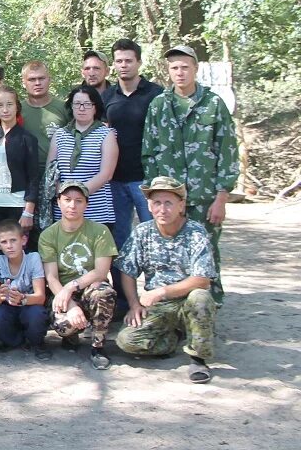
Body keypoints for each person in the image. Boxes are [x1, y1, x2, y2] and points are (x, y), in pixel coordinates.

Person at [142, 44, 237, 305]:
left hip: (203, 196)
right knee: (171, 250)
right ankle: (175, 304)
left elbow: (227, 152)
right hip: (168, 198)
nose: (180, 72)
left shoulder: (214, 104)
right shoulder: (159, 104)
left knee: (207, 248)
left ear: (195, 68)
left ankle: (210, 304)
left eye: (185, 67)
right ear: (168, 71)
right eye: (174, 68)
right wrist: (154, 197)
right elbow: (148, 153)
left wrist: (221, 197)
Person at [115, 177, 218, 384]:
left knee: (200, 298)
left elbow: (202, 280)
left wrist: (162, 291)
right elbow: (127, 270)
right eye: (157, 203)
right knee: (127, 341)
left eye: (169, 203)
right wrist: (134, 304)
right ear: (150, 206)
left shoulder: (195, 232)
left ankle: (198, 358)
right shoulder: (143, 232)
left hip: (186, 300)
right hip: (159, 307)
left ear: (181, 205)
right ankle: (174, 338)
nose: (163, 209)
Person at [103, 38, 164, 312]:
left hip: (146, 181)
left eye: (129, 60)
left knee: (155, 237)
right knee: (120, 241)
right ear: (113, 65)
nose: (124, 65)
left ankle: (158, 299)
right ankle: (124, 300)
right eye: (119, 61)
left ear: (139, 62)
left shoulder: (156, 94)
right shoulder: (108, 97)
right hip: (114, 181)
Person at [39, 181, 118, 370]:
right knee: (64, 326)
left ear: (86, 204)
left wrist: (71, 287)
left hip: (90, 287)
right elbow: (51, 278)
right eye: (67, 200)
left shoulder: (100, 231)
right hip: (63, 292)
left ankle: (98, 347)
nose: (72, 205)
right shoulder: (48, 235)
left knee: (103, 293)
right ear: (58, 202)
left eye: (78, 201)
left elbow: (100, 271)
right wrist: (71, 304)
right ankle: (71, 337)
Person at [0, 85, 40, 257]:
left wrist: (28, 210)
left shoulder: (27, 139)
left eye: (9, 104)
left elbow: (33, 177)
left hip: (17, 204)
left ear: (17, 107)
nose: (5, 110)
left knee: (17, 250)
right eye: (0, 105)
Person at [46, 85, 118, 231]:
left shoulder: (106, 134)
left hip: (97, 211)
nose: (82, 108)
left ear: (95, 107)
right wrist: (66, 198)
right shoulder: (60, 135)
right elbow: (50, 172)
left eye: (87, 104)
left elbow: (106, 174)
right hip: (64, 211)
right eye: (77, 104)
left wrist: (79, 195)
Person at [0, 219, 49, 359]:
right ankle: (15, 342)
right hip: (8, 307)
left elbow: (40, 297)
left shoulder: (33, 258)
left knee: (37, 313)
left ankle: (37, 342)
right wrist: (0, 296)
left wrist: (22, 299)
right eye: (4, 242)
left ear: (24, 240)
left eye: (13, 240)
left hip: (29, 305)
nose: (9, 246)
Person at [19, 60, 67, 182]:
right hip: (25, 174)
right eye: (32, 79)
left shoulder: (65, 108)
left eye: (41, 78)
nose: (37, 83)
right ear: (23, 82)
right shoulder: (16, 110)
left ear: (49, 80)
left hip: (59, 173)